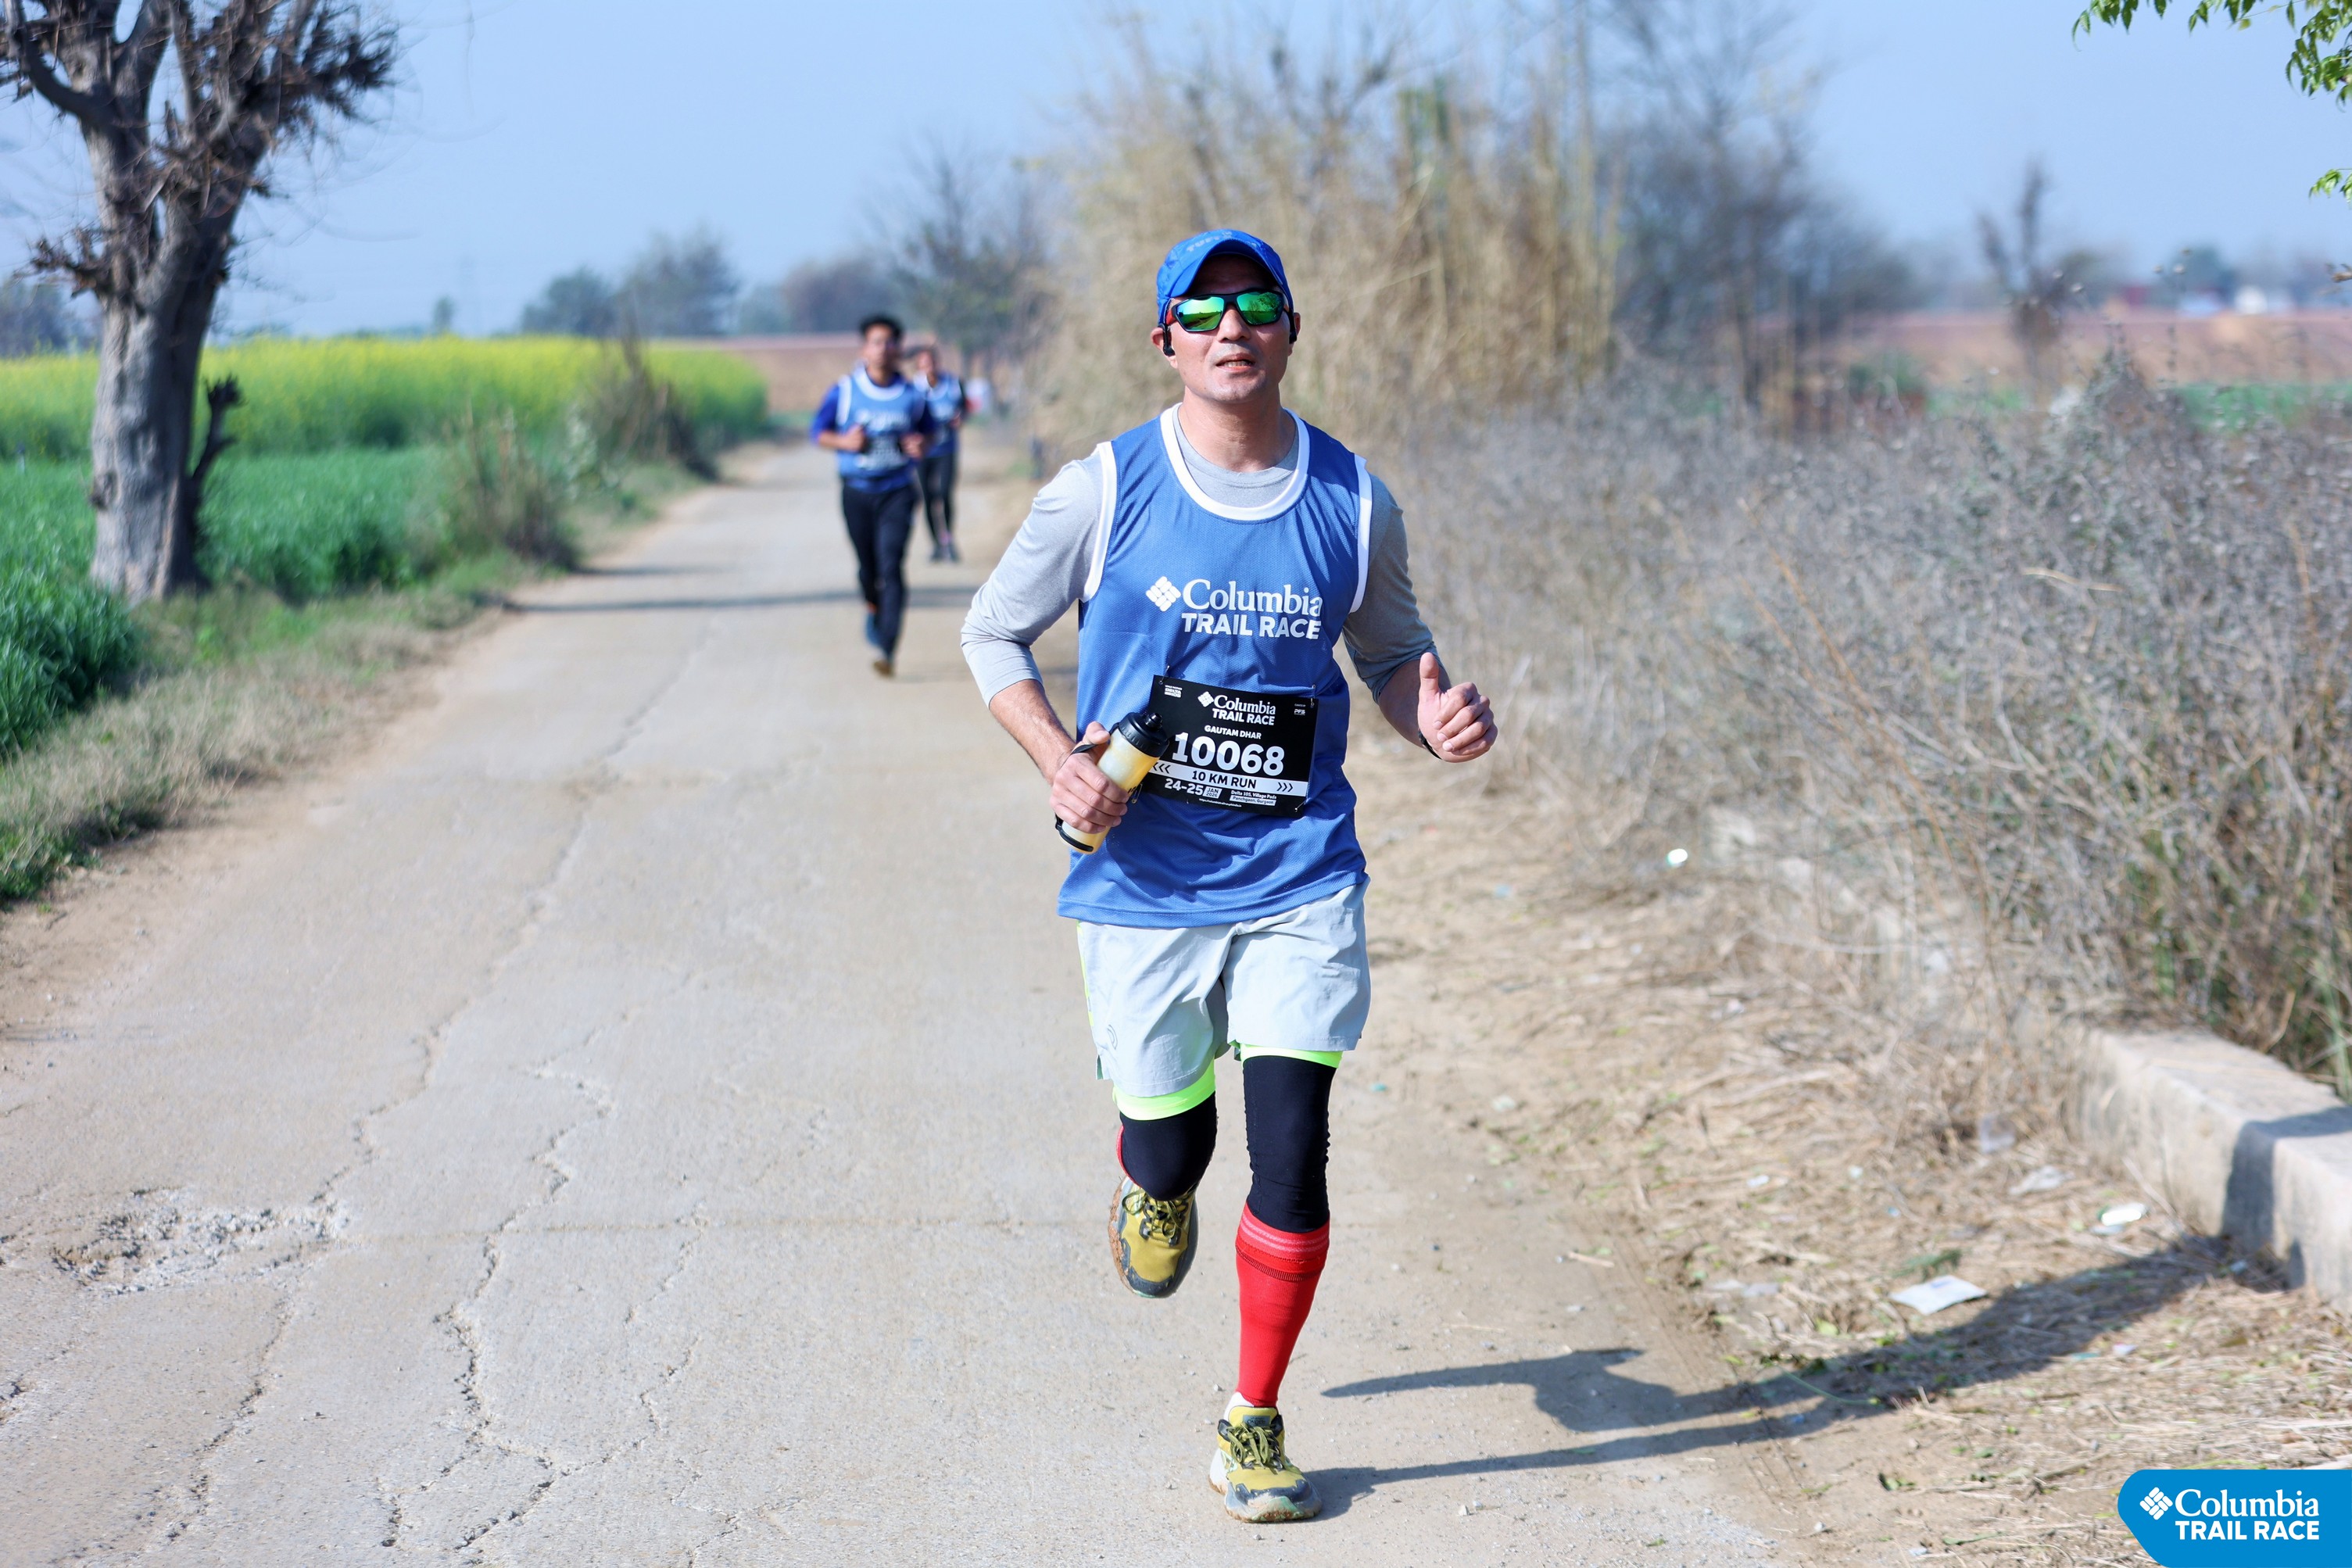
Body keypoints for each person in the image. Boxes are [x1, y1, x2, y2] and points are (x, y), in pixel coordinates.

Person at [961, 229, 1498, 1524]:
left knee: (1293, 1148)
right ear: (1165, 340)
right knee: (1173, 1142)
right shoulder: (1101, 490)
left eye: (1254, 304)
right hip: (1144, 880)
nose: (1229, 327)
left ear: (1290, 329)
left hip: (1300, 868)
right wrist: (1060, 762)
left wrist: (1430, 719)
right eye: (1199, 312)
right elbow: (992, 632)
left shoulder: (1352, 500)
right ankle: (1150, 1184)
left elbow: (1392, 657)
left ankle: (1251, 1415)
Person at [811, 314, 934, 677]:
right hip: (857, 492)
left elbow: (930, 434)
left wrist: (920, 445)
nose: (883, 349)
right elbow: (818, 432)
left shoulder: (912, 396)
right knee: (868, 568)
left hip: (897, 491)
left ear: (898, 349)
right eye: (876, 342)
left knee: (891, 565)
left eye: (889, 342)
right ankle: (872, 604)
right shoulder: (846, 391)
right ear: (864, 349)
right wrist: (844, 442)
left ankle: (887, 648)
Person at [910, 344, 968, 562]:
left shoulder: (953, 384)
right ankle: (935, 544)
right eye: (923, 363)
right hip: (923, 453)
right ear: (918, 367)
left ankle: (948, 540)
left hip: (946, 450)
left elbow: (965, 407)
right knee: (928, 498)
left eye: (931, 362)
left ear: (937, 362)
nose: (929, 367)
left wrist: (961, 418)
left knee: (944, 494)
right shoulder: (913, 389)